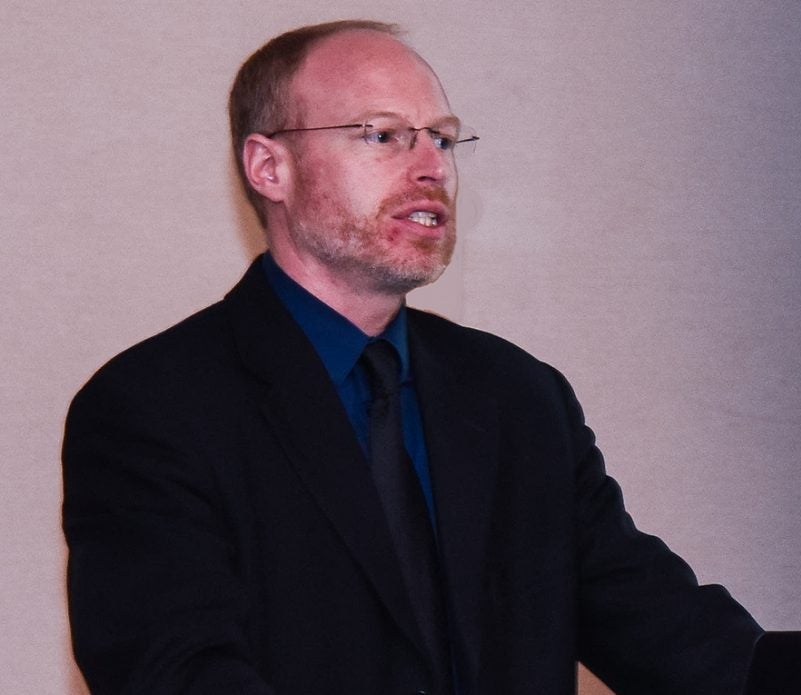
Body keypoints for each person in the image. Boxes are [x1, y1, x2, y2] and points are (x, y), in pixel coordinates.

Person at [62, 20, 762, 695]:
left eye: (444, 141)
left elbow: (674, 636)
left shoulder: (517, 396)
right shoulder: (153, 407)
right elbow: (175, 670)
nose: (431, 168)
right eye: (384, 135)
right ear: (270, 166)